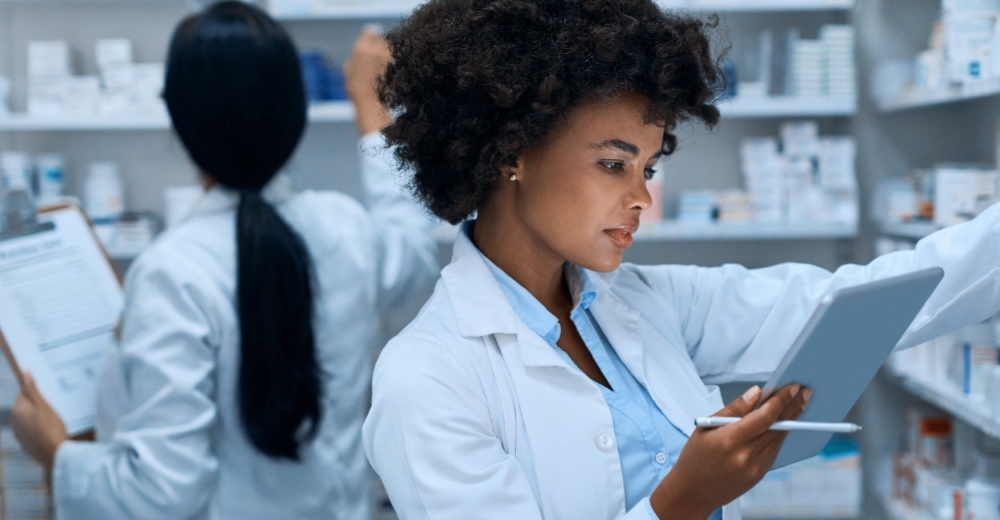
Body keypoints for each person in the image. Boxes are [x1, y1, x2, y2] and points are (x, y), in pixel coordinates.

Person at [361, 0, 1000, 519]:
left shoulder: (644, 303)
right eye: (614, 164)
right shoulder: (426, 379)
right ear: (509, 152)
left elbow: (875, 299)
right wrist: (681, 503)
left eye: (648, 166)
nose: (641, 197)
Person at [9, 3, 438, 519]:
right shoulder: (345, 230)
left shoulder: (174, 271)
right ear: (293, 113)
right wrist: (373, 116)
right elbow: (414, 251)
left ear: (181, 120)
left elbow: (163, 494)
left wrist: (55, 453)